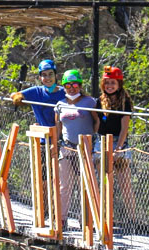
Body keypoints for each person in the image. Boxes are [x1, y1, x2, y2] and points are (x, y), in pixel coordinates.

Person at [93, 66, 137, 231]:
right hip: (102, 142)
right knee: (105, 183)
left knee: (125, 184)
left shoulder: (124, 101)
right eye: (107, 83)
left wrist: (119, 149)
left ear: (119, 84)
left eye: (113, 83)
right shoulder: (99, 101)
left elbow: (125, 127)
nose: (109, 86)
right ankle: (106, 218)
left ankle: (133, 220)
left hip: (119, 142)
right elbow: (97, 124)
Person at [54, 69, 98, 228]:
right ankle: (61, 219)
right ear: (64, 87)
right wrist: (55, 144)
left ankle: (85, 220)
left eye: (75, 85)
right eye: (68, 85)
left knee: (84, 185)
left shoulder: (90, 102)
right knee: (64, 185)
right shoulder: (60, 105)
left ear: (80, 85)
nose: (71, 88)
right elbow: (58, 126)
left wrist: (94, 138)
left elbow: (97, 121)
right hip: (67, 147)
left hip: (85, 148)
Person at [9, 59, 64, 127]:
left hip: (63, 133)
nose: (48, 78)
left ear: (56, 75)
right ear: (40, 78)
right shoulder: (36, 91)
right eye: (44, 75)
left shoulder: (64, 92)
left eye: (50, 74)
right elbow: (14, 95)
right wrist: (17, 97)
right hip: (43, 132)